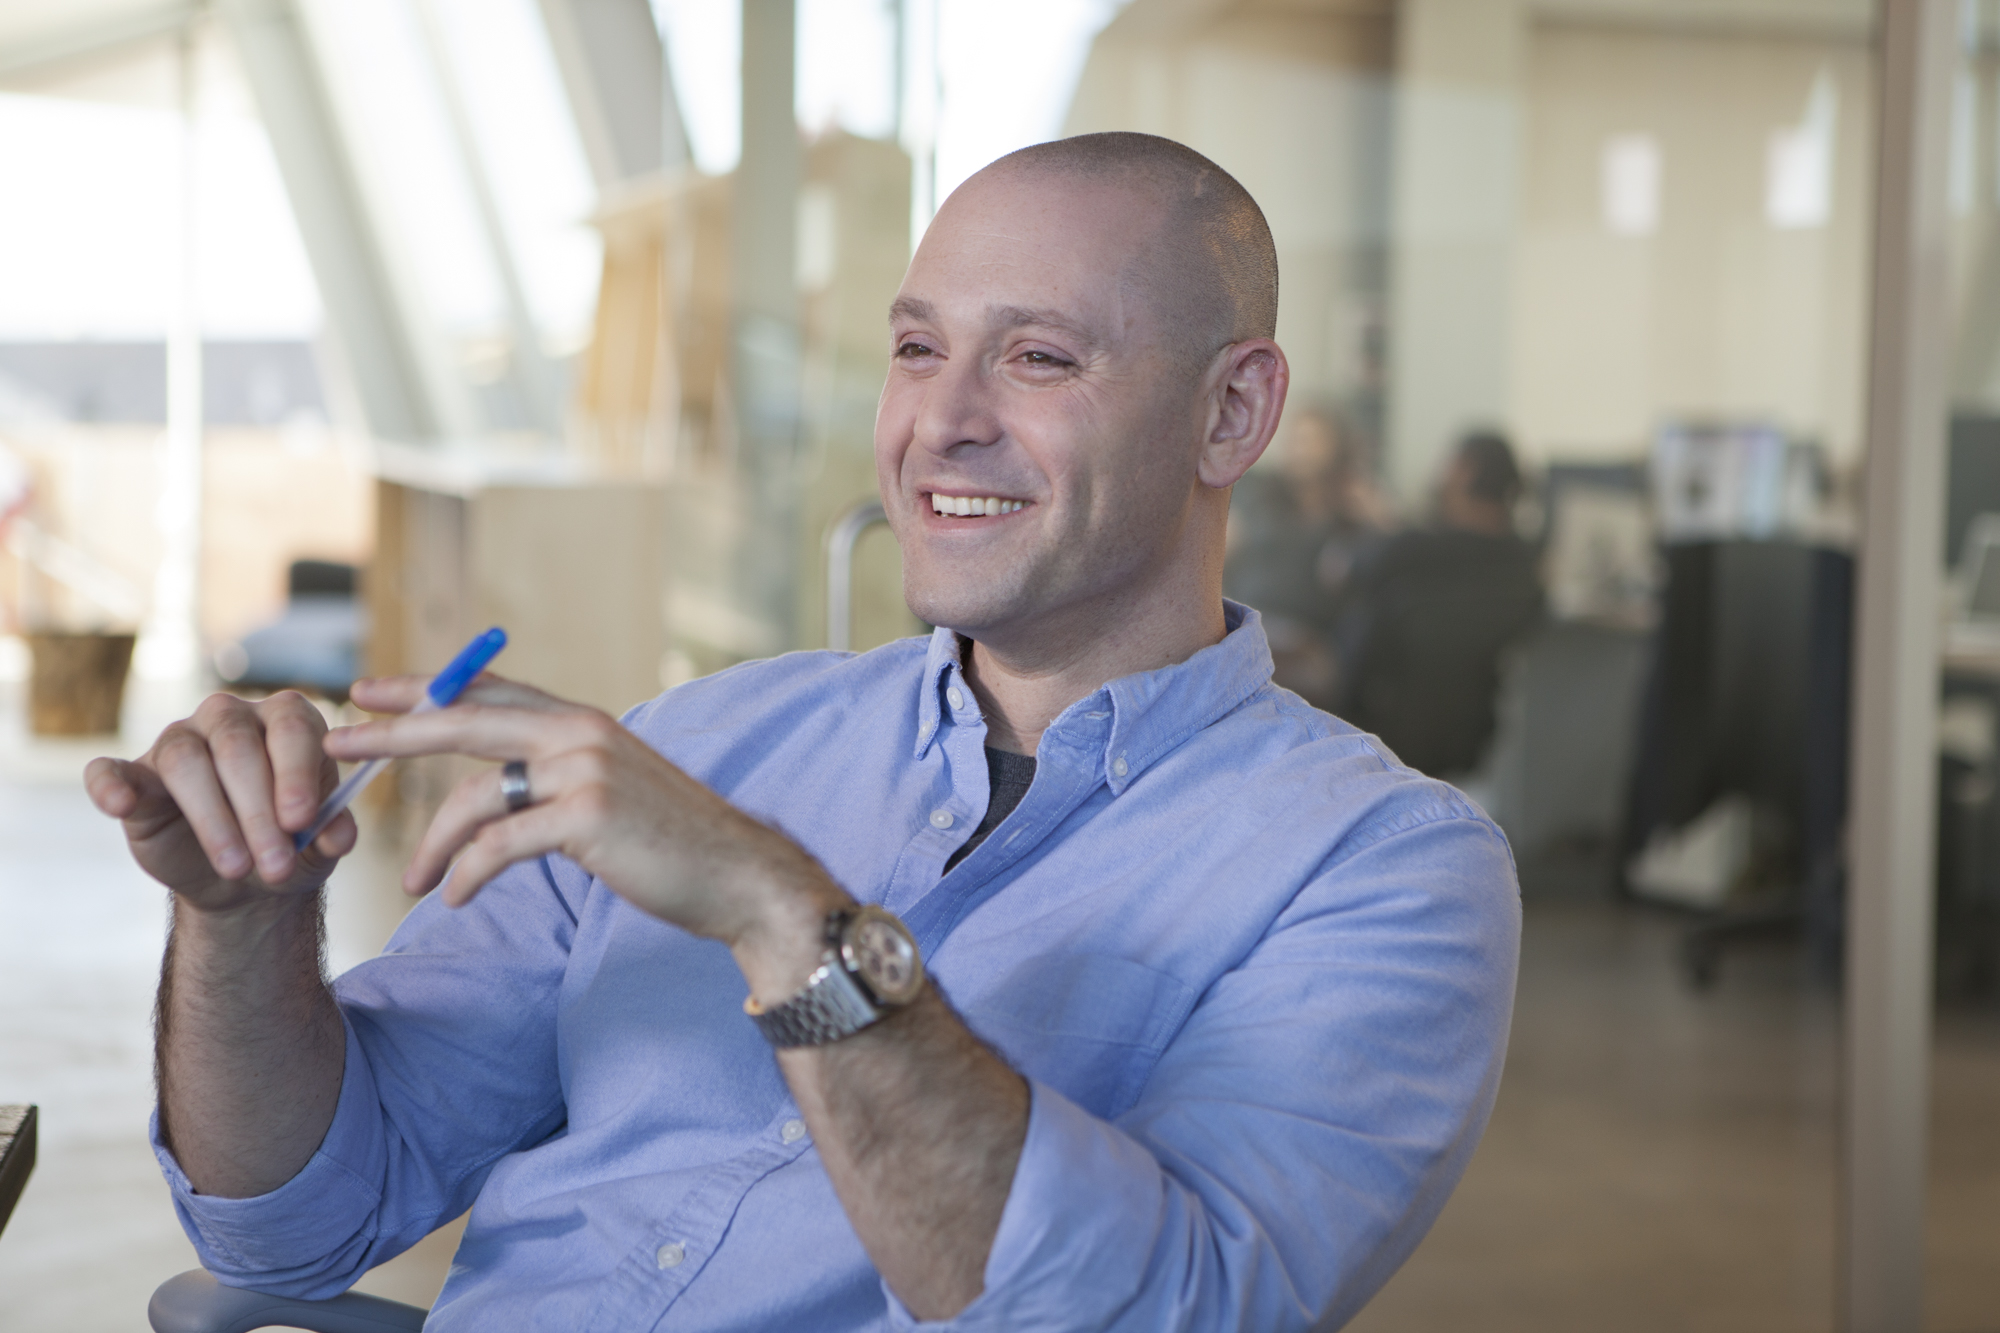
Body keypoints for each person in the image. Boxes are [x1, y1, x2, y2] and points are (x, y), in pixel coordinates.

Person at [87, 133, 1520, 1331]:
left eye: (1037, 357)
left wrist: (781, 914)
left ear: (1231, 412)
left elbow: (1162, 1311)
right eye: (916, 347)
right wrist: (239, 926)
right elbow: (293, 1220)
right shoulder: (708, 738)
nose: (939, 422)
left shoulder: (1383, 870)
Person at [1330, 429, 1545, 779]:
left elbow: (1344, 573)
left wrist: (1381, 525)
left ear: (1465, 471)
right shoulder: (1527, 564)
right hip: (1477, 747)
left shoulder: (1410, 551)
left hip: (1381, 744)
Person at [1224, 404, 1394, 706]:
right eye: (1296, 439)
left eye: (1313, 440)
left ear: (1337, 448)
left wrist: (1375, 513)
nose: (1300, 449)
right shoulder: (1257, 493)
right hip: (1250, 626)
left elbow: (1395, 555)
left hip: (1313, 640)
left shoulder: (1348, 512)